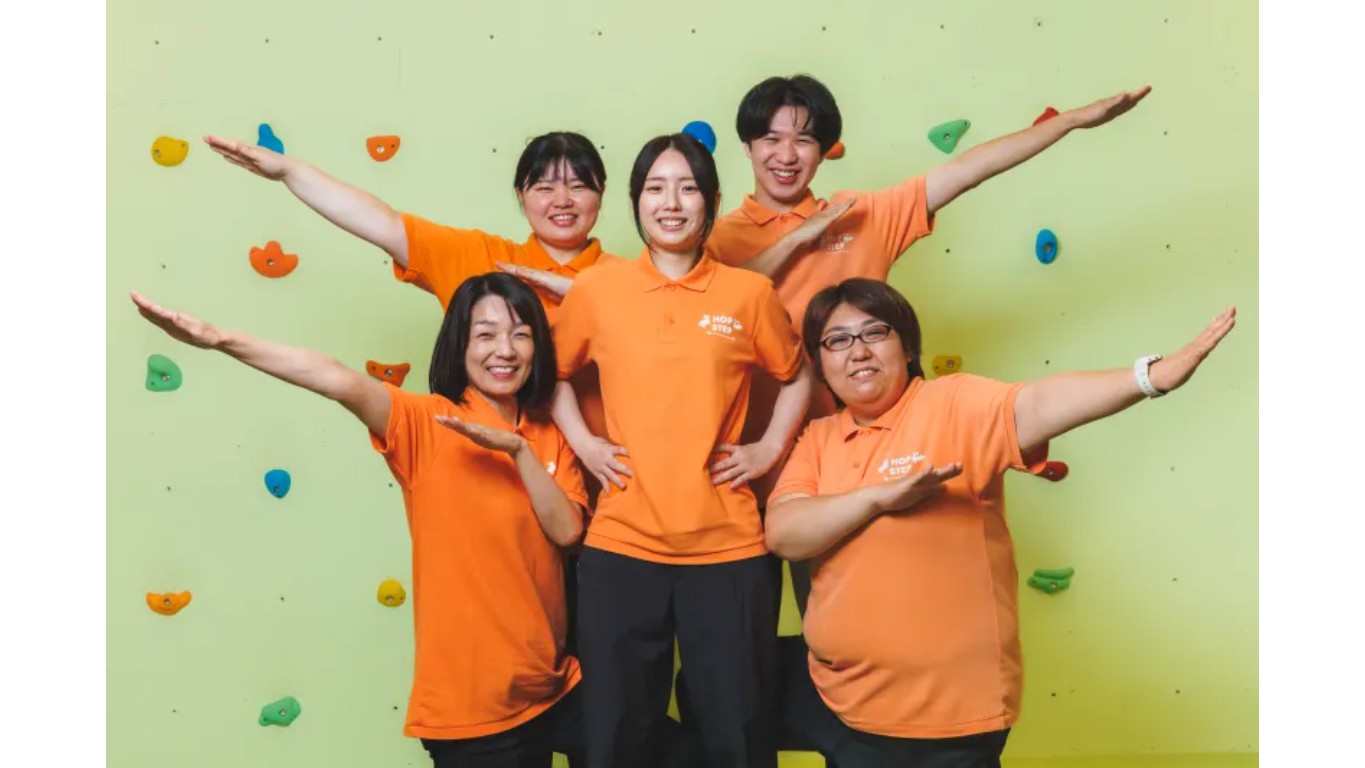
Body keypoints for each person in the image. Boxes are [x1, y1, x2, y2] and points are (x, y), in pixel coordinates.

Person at [705, 73, 1153, 616]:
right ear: (748, 146)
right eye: (771, 139)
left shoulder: (860, 215)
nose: (786, 155)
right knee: (737, 640)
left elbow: (966, 170)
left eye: (803, 140)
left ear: (823, 150)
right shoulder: (715, 239)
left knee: (848, 626)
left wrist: (1072, 122)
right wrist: (797, 237)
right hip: (741, 469)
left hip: (846, 473)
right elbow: (716, 300)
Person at [762, 277, 1235, 767]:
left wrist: (1149, 377)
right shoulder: (818, 438)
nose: (858, 351)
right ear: (822, 365)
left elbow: (1038, 404)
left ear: (908, 347)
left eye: (875, 332)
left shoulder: (952, 403)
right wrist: (877, 499)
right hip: (843, 705)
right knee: (728, 685)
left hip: (947, 719)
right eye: (837, 340)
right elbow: (785, 532)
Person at [130, 273, 590, 768]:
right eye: (486, 334)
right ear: (460, 345)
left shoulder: (549, 435)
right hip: (472, 710)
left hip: (556, 686)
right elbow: (336, 379)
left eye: (521, 334)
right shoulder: (427, 424)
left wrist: (518, 450)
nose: (505, 350)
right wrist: (220, 339)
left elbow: (567, 531)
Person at [205, 129, 620, 650]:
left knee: (612, 679)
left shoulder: (631, 281)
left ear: (602, 194)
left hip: (618, 518)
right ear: (520, 195)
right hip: (510, 524)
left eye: (579, 186)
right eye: (544, 186)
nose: (562, 200)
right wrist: (290, 172)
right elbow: (381, 222)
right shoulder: (484, 261)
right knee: (517, 664)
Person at [548, 132, 814, 768]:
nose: (671, 203)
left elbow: (797, 372)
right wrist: (584, 442)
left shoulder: (747, 294)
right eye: (655, 189)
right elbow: (550, 375)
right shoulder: (596, 291)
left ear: (712, 202)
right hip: (621, 543)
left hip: (729, 547)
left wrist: (769, 447)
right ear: (636, 202)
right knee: (615, 735)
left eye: (688, 188)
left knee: (738, 733)